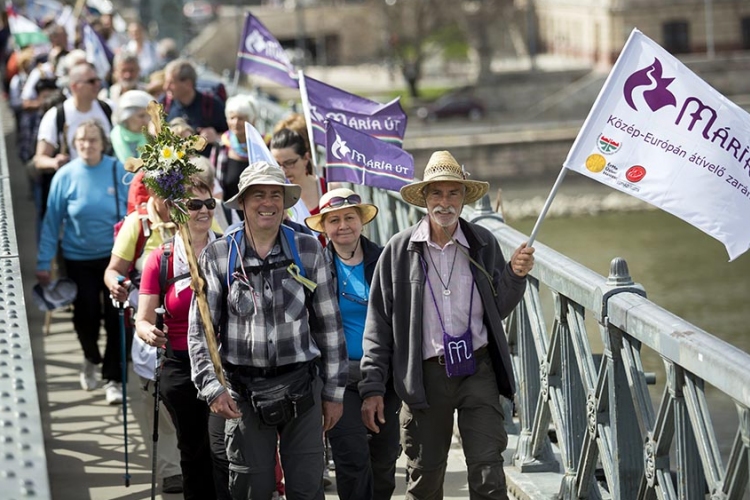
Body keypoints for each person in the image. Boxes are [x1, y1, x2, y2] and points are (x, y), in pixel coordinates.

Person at [359, 151, 535, 500]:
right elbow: (378, 324)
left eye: (453, 193)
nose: (445, 202)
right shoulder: (399, 250)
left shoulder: (482, 243)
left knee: (488, 472)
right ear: (424, 198)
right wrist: (372, 387)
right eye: (436, 193)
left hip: (477, 370)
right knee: (425, 478)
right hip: (424, 377)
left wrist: (515, 276)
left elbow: (497, 308)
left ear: (463, 199)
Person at [187, 162, 348, 499]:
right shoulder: (219, 255)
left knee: (307, 490)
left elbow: (329, 327)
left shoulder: (308, 250)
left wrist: (333, 392)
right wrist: (212, 388)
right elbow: (201, 332)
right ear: (242, 203)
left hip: (302, 389)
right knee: (251, 489)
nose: (268, 202)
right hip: (242, 394)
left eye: (276, 195)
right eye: (258, 195)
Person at [136, 177, 228, 499]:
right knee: (194, 451)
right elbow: (143, 319)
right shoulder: (159, 259)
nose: (204, 211)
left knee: (225, 450)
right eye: (194, 204)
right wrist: (149, 332)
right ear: (176, 210)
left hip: (225, 366)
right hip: (180, 366)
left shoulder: (231, 251)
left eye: (209, 204)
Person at [305, 189, 400, 500]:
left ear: (362, 221)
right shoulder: (314, 266)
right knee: (351, 458)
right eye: (334, 220)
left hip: (383, 375)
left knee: (384, 459)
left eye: (349, 217)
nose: (343, 225)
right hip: (338, 377)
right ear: (324, 227)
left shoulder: (386, 259)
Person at [35, 120, 129, 405]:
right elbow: (52, 221)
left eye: (93, 140)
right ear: (74, 145)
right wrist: (43, 261)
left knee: (117, 320)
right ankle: (91, 357)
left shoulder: (117, 170)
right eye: (81, 141)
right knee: (85, 315)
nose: (87, 145)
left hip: (114, 258)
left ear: (103, 143)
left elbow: (132, 215)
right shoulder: (65, 175)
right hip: (77, 258)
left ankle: (113, 378)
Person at [271, 127, 326, 234]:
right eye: (277, 164)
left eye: (290, 163)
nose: (283, 170)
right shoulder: (270, 196)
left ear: (306, 158)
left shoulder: (328, 188)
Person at [110, 89, 152, 163]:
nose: (146, 121)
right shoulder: (109, 142)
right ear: (126, 117)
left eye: (148, 116)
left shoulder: (152, 140)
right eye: (141, 116)